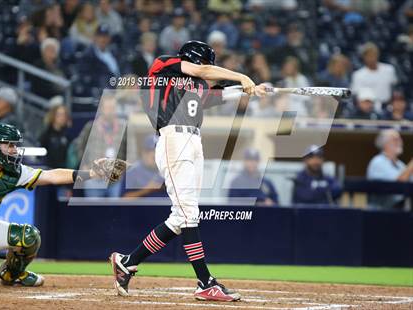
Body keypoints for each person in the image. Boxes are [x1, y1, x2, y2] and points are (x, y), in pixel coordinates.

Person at [110, 40, 267, 301]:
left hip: (194, 142)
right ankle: (205, 282)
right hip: (173, 140)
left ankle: (127, 262)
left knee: (179, 218)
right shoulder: (164, 65)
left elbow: (216, 93)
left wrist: (249, 90)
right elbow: (204, 73)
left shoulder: (193, 87)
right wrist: (242, 76)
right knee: (188, 214)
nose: (208, 68)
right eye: (205, 63)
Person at [0, 123, 113, 287]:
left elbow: (51, 176)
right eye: (10, 145)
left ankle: (11, 274)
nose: (14, 150)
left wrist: (91, 174)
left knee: (29, 236)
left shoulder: (13, 173)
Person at [76, 93, 126, 197]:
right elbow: (79, 146)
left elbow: (128, 151)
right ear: (102, 109)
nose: (110, 111)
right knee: (94, 212)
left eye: (113, 108)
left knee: (114, 212)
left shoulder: (123, 128)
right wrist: (83, 165)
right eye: (108, 108)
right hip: (94, 178)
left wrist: (122, 169)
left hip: (114, 180)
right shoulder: (90, 127)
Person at [367, 129, 413, 209]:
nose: (400, 142)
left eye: (400, 139)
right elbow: (399, 183)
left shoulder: (400, 164)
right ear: (385, 144)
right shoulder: (378, 162)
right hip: (381, 212)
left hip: (400, 210)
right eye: (395, 139)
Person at [351, 42, 397, 107]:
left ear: (377, 55)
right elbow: (356, 94)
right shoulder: (358, 75)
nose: (371, 58)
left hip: (387, 106)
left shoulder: (389, 70)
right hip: (367, 108)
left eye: (373, 55)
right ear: (364, 57)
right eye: (368, 56)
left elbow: (394, 88)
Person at [38, 101, 71, 168]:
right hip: (49, 170)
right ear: (53, 116)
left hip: (64, 170)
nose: (62, 117)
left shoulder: (68, 135)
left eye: (64, 115)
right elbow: (39, 156)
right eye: (60, 115)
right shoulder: (45, 135)